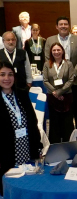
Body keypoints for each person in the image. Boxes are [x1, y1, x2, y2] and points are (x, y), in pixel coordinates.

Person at [0, 62, 41, 190]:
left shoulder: (22, 94)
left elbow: (33, 122)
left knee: (29, 186)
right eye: (2, 75)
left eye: (10, 74)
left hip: (27, 149)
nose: (7, 78)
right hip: (6, 154)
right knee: (12, 189)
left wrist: (38, 145)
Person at [45, 17, 77, 129]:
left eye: (66, 24)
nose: (63, 26)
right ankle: (64, 135)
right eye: (61, 24)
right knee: (59, 111)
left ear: (69, 26)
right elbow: (48, 59)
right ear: (56, 26)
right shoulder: (49, 40)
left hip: (76, 80)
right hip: (57, 82)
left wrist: (72, 73)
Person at [42, 43, 76, 143]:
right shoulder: (47, 64)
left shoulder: (68, 64)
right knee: (55, 123)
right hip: (53, 97)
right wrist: (55, 92)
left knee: (67, 123)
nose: (56, 52)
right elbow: (45, 80)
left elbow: (71, 80)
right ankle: (55, 145)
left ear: (62, 51)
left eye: (58, 50)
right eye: (54, 50)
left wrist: (60, 92)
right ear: (51, 52)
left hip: (67, 97)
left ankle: (69, 144)